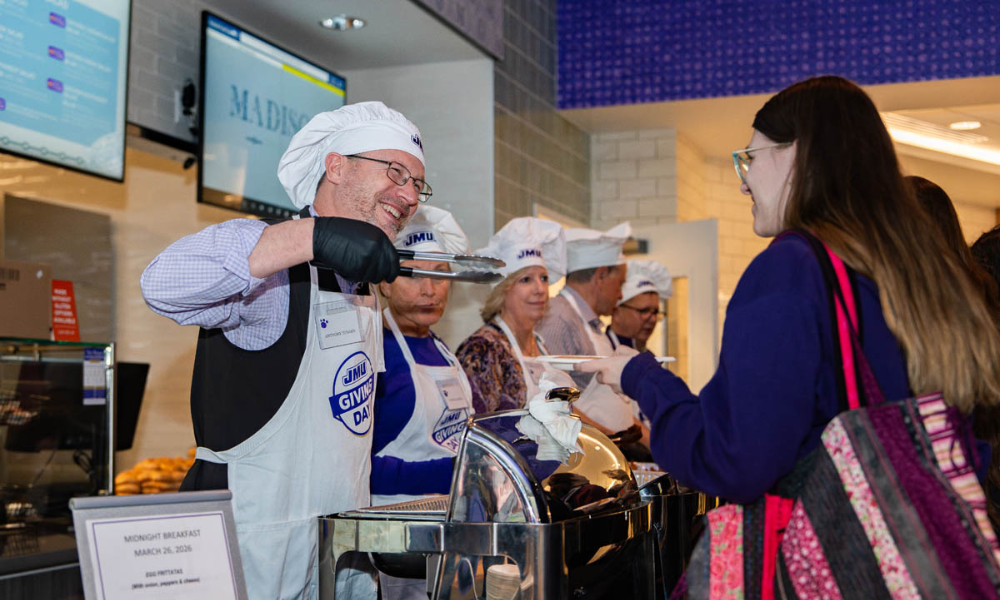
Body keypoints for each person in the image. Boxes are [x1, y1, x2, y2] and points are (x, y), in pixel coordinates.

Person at [580, 76, 1000, 507]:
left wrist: (645, 378)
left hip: (833, 558)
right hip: (923, 554)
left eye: (750, 158)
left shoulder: (793, 268)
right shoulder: (917, 273)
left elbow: (735, 461)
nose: (744, 182)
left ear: (797, 153)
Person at [141, 101, 429, 600]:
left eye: (416, 185)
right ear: (336, 166)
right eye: (396, 172)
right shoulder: (272, 263)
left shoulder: (366, 285)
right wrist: (315, 236)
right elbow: (161, 284)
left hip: (341, 554)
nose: (407, 196)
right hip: (253, 552)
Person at [370, 205, 473, 599]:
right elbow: (351, 467)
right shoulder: (375, 354)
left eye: (439, 275)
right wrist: (450, 475)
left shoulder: (442, 350)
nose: (429, 290)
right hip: (395, 541)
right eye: (412, 274)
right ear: (385, 283)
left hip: (449, 530)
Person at [535, 224, 647, 442]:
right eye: (620, 283)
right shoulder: (559, 319)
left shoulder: (591, 324)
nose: (621, 293)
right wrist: (610, 440)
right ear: (601, 276)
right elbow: (552, 402)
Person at [456, 217, 574, 413]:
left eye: (544, 278)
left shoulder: (539, 344)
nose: (540, 289)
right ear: (503, 289)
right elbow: (479, 431)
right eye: (526, 279)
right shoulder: (482, 350)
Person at [607, 259, 672, 352]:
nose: (653, 319)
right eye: (643, 311)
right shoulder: (601, 352)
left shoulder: (650, 358)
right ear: (616, 311)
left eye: (655, 312)